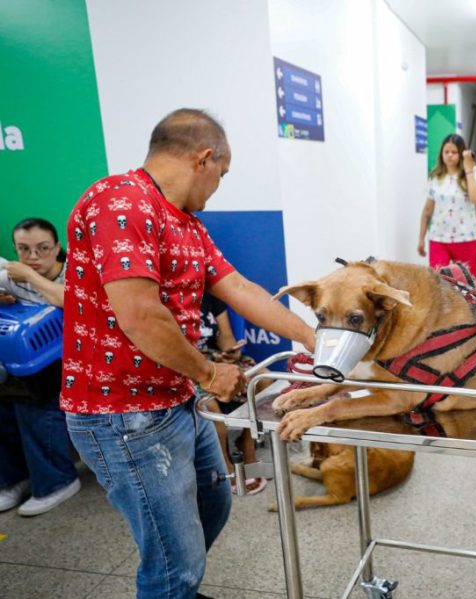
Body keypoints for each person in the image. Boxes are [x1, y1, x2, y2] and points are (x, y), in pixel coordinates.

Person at [61, 108, 316, 599]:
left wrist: (309, 335)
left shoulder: (187, 224)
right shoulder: (120, 201)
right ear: (205, 159)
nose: (219, 185)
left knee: (213, 503)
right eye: (223, 172)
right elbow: (140, 316)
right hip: (123, 415)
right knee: (173, 562)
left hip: (175, 399)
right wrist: (210, 373)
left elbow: (238, 287)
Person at [0, 218, 82, 516]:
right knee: (4, 401)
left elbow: (73, 301)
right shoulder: (9, 276)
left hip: (79, 360)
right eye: (23, 249)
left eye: (42, 249)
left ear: (57, 248)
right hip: (30, 362)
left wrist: (31, 277)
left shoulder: (75, 272)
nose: (33, 257)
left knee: (33, 400)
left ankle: (56, 480)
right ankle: (15, 478)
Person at [197, 292, 267, 495]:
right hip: (190, 366)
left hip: (216, 358)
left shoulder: (209, 295)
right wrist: (207, 366)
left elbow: (225, 337)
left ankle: (247, 446)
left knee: (263, 379)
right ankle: (226, 466)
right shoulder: (168, 298)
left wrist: (231, 351)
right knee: (210, 406)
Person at [417, 134, 476, 277]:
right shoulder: (435, 176)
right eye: (446, 152)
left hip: (466, 238)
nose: (449, 155)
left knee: (468, 282)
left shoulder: (473, 172)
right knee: (438, 281)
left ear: (461, 153)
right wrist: (421, 238)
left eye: (454, 152)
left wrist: (468, 169)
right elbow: (427, 210)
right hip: (438, 238)